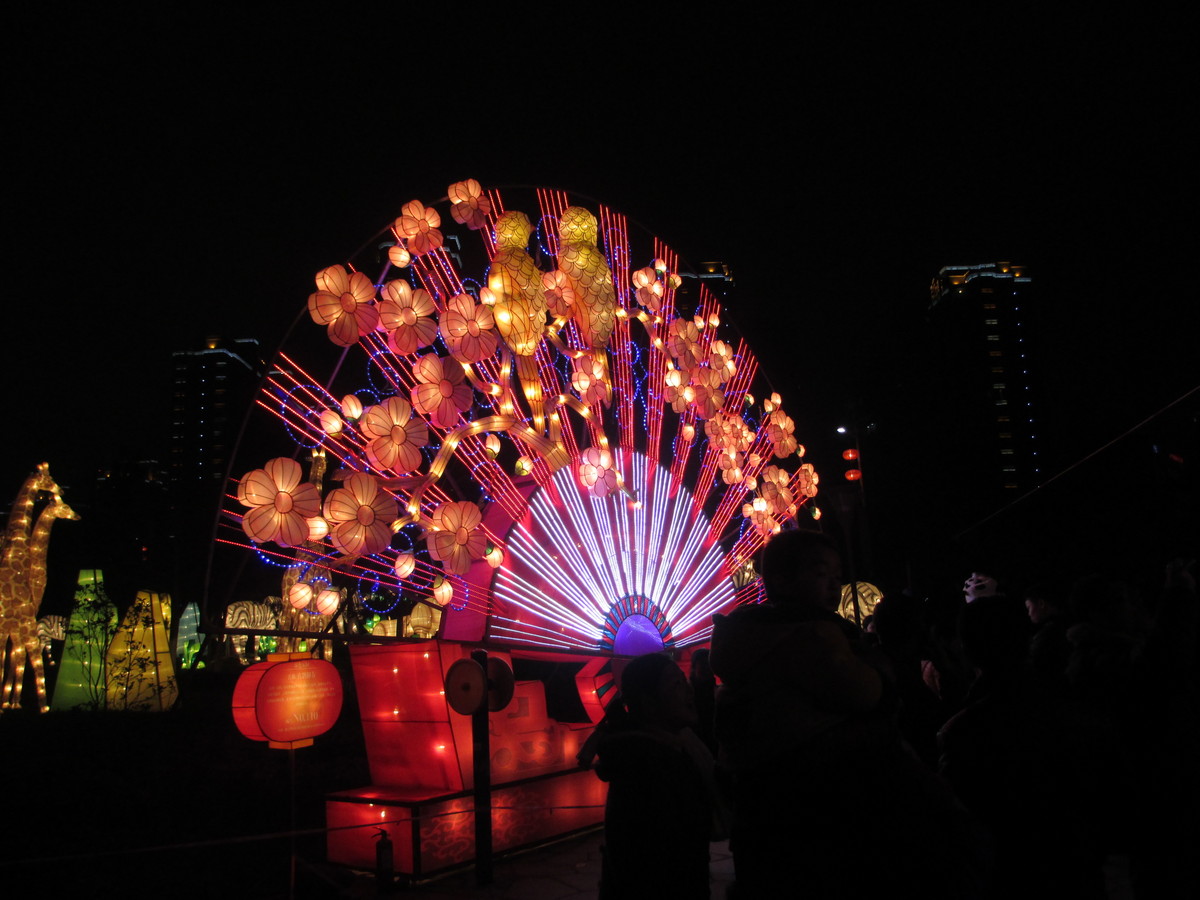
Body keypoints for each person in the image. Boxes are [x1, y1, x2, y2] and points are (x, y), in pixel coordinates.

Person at [712, 528, 980, 898]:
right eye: (822, 574)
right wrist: (881, 675)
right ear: (779, 579)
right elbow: (865, 693)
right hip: (826, 801)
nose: (834, 586)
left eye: (838, 577)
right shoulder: (816, 636)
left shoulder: (743, 637)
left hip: (765, 800)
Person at [591, 652, 719, 899]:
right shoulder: (649, 767)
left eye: (685, 682)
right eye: (676, 685)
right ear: (649, 702)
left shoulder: (669, 751)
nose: (688, 692)